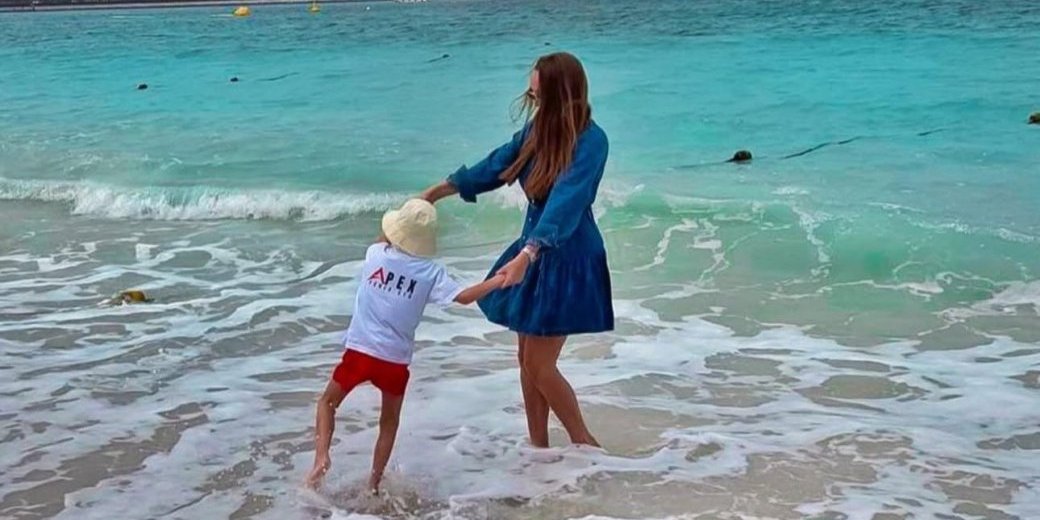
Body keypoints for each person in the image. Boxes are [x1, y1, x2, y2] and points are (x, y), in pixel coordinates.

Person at [420, 52, 611, 448]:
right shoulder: (536, 130)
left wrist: (529, 254)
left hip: (568, 257)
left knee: (540, 365)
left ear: (559, 93)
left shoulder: (592, 142)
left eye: (537, 92)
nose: (532, 98)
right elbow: (495, 165)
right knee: (526, 360)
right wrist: (436, 192)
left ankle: (587, 446)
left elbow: (566, 202)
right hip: (533, 250)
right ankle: (538, 449)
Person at [307, 198, 505, 491]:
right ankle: (373, 483)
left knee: (327, 403)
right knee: (389, 423)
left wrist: (427, 197)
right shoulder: (430, 272)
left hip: (360, 352)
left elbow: (385, 236)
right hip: (395, 361)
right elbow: (463, 297)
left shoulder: (375, 254)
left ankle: (321, 458)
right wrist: (498, 280)